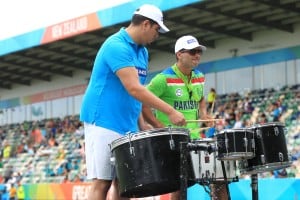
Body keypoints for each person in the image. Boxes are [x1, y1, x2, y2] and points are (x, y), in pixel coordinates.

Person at [80, 4, 186, 200]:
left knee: (125, 183)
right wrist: (170, 111)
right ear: (146, 24)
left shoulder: (142, 52)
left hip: (126, 122)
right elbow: (134, 88)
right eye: (157, 29)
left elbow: (136, 92)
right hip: (104, 119)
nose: (158, 35)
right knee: (102, 182)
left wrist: (142, 124)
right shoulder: (116, 45)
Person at [141, 35, 213, 200]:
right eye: (193, 51)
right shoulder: (162, 79)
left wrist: (204, 114)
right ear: (179, 54)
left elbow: (201, 99)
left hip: (195, 138)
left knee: (218, 178)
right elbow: (143, 103)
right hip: (173, 142)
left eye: (199, 52)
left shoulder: (200, 76)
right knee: (179, 186)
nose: (197, 55)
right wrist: (159, 127)